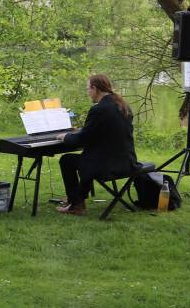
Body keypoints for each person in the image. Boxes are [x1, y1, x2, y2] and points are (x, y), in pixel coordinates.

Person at [56, 74, 139, 215]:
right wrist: (83, 131)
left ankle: (76, 204)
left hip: (109, 166)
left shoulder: (99, 109)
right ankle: (78, 198)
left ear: (95, 88)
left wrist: (65, 137)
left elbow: (82, 140)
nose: (88, 92)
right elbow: (102, 132)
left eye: (88, 89)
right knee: (88, 157)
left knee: (67, 160)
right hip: (127, 161)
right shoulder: (122, 105)